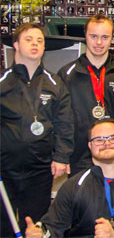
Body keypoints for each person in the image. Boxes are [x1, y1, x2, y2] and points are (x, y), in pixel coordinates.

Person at [24, 118, 114, 237]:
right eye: (99, 140)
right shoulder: (73, 186)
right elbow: (53, 226)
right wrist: (41, 234)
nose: (106, 144)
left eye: (113, 138)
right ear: (90, 146)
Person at [0, 23, 74, 236]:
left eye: (39, 40)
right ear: (15, 45)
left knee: (36, 225)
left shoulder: (55, 84)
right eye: (29, 39)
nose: (35, 44)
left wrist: (62, 156)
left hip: (40, 169)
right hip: (5, 168)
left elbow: (64, 123)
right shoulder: (3, 82)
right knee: (4, 224)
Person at [58, 14, 114, 177]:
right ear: (85, 36)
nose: (99, 43)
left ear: (112, 38)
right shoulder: (67, 74)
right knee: (81, 200)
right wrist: (62, 154)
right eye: (93, 36)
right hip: (79, 155)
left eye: (105, 37)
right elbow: (62, 118)